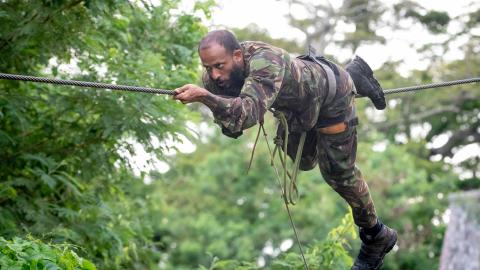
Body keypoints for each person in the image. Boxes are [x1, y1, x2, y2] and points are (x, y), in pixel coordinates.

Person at [173, 29, 396, 270]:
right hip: (298, 110)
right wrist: (216, 100)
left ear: (237, 56)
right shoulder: (217, 77)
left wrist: (207, 98)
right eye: (208, 68)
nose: (214, 75)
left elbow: (244, 116)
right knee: (304, 161)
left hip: (332, 98)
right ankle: (354, 75)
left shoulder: (265, 61)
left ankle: (376, 234)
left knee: (338, 173)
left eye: (219, 66)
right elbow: (231, 128)